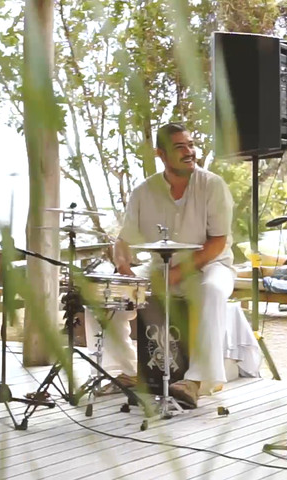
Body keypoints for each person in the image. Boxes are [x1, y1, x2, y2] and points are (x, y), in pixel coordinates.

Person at [112, 122, 235, 409]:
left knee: (213, 291)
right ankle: (127, 371)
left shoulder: (213, 185)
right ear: (161, 154)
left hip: (210, 265)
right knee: (109, 292)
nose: (189, 151)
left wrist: (178, 274)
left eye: (190, 145)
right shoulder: (143, 191)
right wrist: (122, 267)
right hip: (159, 267)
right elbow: (123, 241)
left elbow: (217, 243)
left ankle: (196, 381)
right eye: (180, 147)